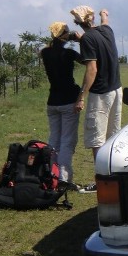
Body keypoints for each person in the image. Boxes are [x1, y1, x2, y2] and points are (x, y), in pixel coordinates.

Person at [70, 5, 122, 193]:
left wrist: (81, 96)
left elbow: (92, 69)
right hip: (116, 90)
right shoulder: (107, 30)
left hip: (100, 94)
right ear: (93, 19)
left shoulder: (87, 40)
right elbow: (105, 22)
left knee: (97, 139)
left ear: (78, 23)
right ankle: (115, 176)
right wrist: (104, 14)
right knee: (112, 136)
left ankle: (101, 181)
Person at [40, 22, 82, 187]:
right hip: (69, 101)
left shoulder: (45, 53)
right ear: (64, 36)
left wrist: (59, 38)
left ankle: (51, 173)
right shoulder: (70, 53)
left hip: (53, 101)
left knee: (54, 139)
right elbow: (88, 61)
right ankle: (63, 177)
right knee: (67, 141)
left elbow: (47, 48)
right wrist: (80, 40)